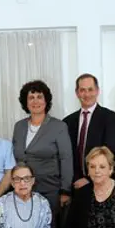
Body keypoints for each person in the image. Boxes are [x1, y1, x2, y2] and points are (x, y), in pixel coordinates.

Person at [12, 80, 73, 218]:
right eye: (31, 97)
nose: (35, 101)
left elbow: (66, 159)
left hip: (50, 191)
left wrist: (65, 190)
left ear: (46, 101)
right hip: (22, 191)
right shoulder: (19, 126)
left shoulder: (59, 126)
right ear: (25, 102)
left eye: (39, 97)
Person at [63, 74, 115, 190]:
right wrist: (74, 180)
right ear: (77, 93)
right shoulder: (67, 122)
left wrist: (89, 179)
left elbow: (110, 152)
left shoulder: (110, 118)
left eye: (90, 89)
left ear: (97, 91)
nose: (87, 94)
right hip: (75, 185)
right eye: (82, 90)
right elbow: (66, 155)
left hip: (102, 184)